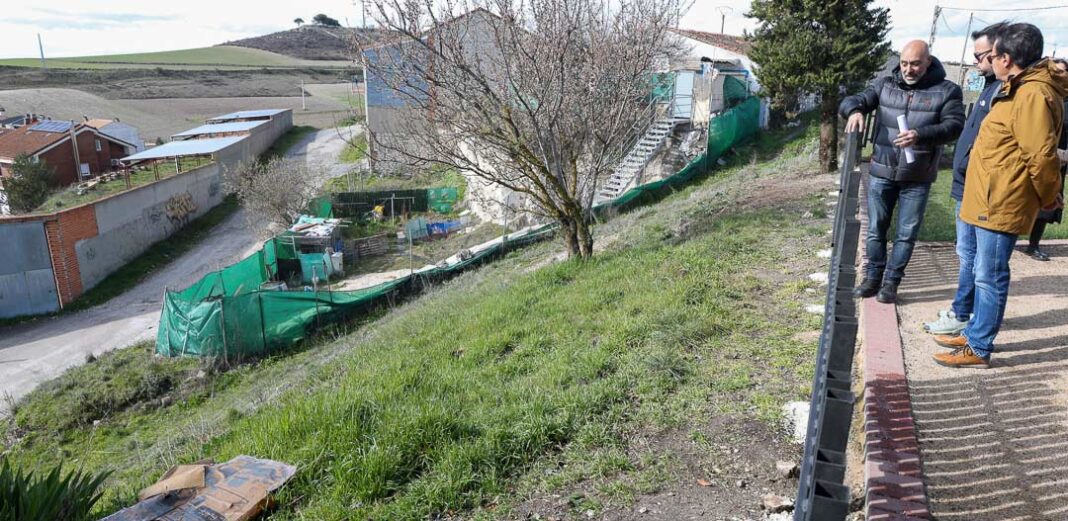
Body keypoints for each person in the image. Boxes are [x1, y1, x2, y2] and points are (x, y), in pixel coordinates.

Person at [933, 23, 1068, 368]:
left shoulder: (1032, 94)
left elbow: (1039, 155)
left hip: (1001, 200)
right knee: (983, 271)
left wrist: (1049, 195)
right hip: (989, 197)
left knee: (990, 276)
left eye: (992, 56)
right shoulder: (1019, 88)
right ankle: (974, 332)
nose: (989, 61)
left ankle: (979, 346)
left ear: (1006, 59)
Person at [840, 41, 965, 304]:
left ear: (928, 61)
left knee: (906, 234)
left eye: (915, 64)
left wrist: (920, 135)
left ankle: (891, 282)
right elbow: (855, 100)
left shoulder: (947, 91)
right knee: (875, 229)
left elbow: (954, 126)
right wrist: (854, 111)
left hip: (917, 175)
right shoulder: (885, 85)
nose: (908, 69)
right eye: (905, 63)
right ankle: (872, 278)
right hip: (882, 170)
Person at [924, 23, 1006, 336]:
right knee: (967, 255)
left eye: (981, 56)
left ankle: (965, 317)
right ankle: (963, 309)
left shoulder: (1004, 91)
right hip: (967, 184)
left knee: (978, 262)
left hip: (981, 188)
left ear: (1000, 54)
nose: (976, 62)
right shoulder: (990, 85)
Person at [1022, 57, 1068, 261]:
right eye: (1055, 70)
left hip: (1059, 159)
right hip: (1035, 154)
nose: (1059, 74)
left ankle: (1033, 245)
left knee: (1048, 202)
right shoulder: (1040, 94)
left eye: (1063, 71)